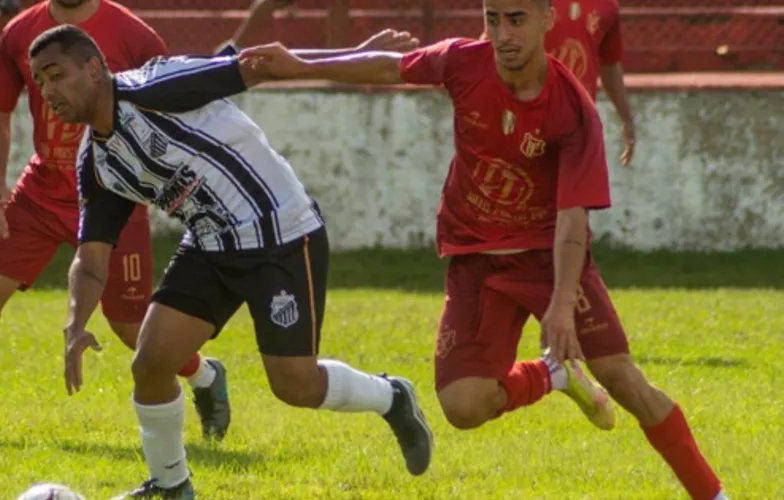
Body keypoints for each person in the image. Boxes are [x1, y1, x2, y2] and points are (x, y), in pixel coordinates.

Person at [239, 1, 729, 499]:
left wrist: (561, 304)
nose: (503, 33)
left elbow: (572, 216)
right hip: (475, 258)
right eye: (494, 18)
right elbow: (391, 65)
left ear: (545, 20)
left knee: (623, 382)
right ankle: (552, 374)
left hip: (546, 258)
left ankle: (713, 494)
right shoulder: (462, 61)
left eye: (516, 19)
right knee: (463, 406)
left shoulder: (572, 109)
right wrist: (301, 64)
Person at [28, 24, 432, 499]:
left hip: (280, 232)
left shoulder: (157, 86)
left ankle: (393, 396)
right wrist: (75, 324)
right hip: (210, 244)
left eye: (56, 75)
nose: (48, 92)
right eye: (39, 82)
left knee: (295, 385)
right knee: (151, 364)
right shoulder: (98, 163)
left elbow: (266, 62)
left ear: (93, 69)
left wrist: (353, 57)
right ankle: (172, 485)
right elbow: (92, 257)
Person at [0, 0, 234, 444]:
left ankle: (206, 376)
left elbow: (169, 106)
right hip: (42, 189)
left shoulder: (135, 35)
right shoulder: (19, 32)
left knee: (131, 326)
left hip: (114, 191)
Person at [482, 0, 635, 166]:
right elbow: (488, 51)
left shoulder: (607, 5)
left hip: (575, 128)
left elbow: (609, 64)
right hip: (521, 124)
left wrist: (626, 118)